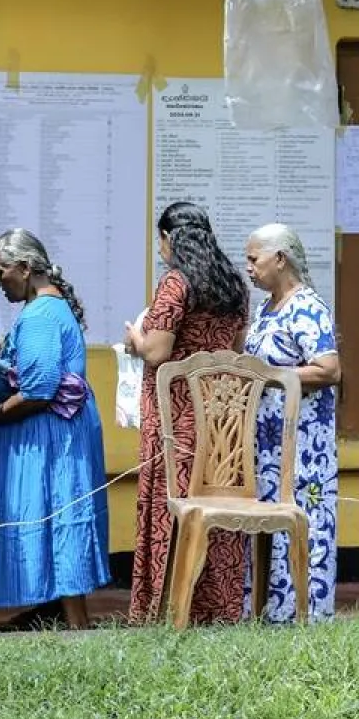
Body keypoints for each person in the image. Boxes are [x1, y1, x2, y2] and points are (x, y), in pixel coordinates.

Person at [0, 229, 110, 630]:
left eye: (0, 273)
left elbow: (39, 390)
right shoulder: (50, 308)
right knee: (54, 514)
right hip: (58, 432)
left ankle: (75, 620)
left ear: (25, 269)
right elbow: (37, 367)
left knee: (54, 515)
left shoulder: (40, 315)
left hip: (47, 435)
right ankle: (56, 612)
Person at [124, 201, 250, 625]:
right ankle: (218, 610)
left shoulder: (176, 283)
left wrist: (135, 338)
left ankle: (169, 608)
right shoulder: (234, 285)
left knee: (171, 505)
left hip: (176, 417)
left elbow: (158, 352)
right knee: (217, 509)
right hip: (221, 419)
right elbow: (235, 351)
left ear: (169, 238)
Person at [243, 223, 341, 622]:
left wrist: (270, 375)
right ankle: (266, 614)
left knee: (302, 523)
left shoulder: (308, 308)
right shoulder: (265, 308)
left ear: (279, 259)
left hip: (303, 445)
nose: (248, 267)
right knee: (266, 524)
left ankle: (304, 615)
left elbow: (329, 369)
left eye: (254, 259)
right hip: (267, 443)